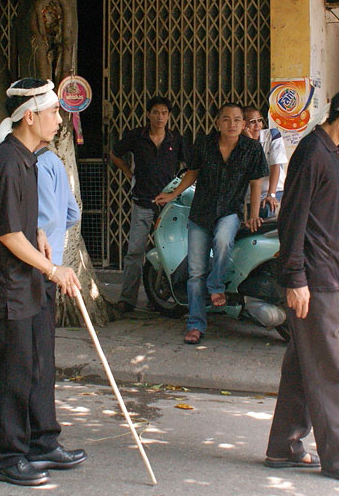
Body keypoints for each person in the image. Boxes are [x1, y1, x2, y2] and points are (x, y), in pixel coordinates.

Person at [0, 78, 86, 487]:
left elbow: (20, 222)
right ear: (30, 117)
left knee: (38, 365)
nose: (59, 120)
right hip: (4, 287)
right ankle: (7, 455)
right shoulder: (7, 161)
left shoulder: (31, 157)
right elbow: (6, 235)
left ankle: (41, 441)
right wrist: (54, 270)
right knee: (13, 373)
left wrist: (40, 235)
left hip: (26, 283)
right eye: (53, 113)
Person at [265, 82, 339, 487]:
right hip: (314, 280)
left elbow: (330, 222)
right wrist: (295, 277)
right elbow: (292, 220)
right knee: (327, 370)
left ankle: (285, 445)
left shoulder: (333, 154)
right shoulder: (313, 153)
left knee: (304, 364)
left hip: (329, 272)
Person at [155, 103, 268, 345]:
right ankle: (196, 324)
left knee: (223, 238)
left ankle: (216, 284)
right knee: (195, 273)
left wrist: (254, 214)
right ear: (217, 123)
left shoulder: (252, 149)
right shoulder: (204, 144)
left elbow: (256, 184)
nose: (232, 124)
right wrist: (173, 195)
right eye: (226, 119)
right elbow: (192, 173)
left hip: (230, 210)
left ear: (243, 124)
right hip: (201, 213)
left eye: (238, 119)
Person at [110, 96, 189, 313]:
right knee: (135, 251)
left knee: (165, 252)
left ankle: (159, 298)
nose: (160, 117)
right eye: (156, 112)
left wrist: (177, 191)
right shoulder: (137, 136)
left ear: (169, 116)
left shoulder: (175, 139)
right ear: (148, 114)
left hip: (168, 207)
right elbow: (115, 154)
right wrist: (128, 172)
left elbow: (190, 167)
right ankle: (127, 299)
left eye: (164, 113)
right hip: (142, 203)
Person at [243, 105, 288, 232]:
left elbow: (275, 166)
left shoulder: (272, 135)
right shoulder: (240, 143)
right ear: (243, 124)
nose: (257, 125)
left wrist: (271, 194)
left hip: (276, 191)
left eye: (259, 120)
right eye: (252, 122)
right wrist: (251, 142)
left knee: (267, 211)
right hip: (250, 195)